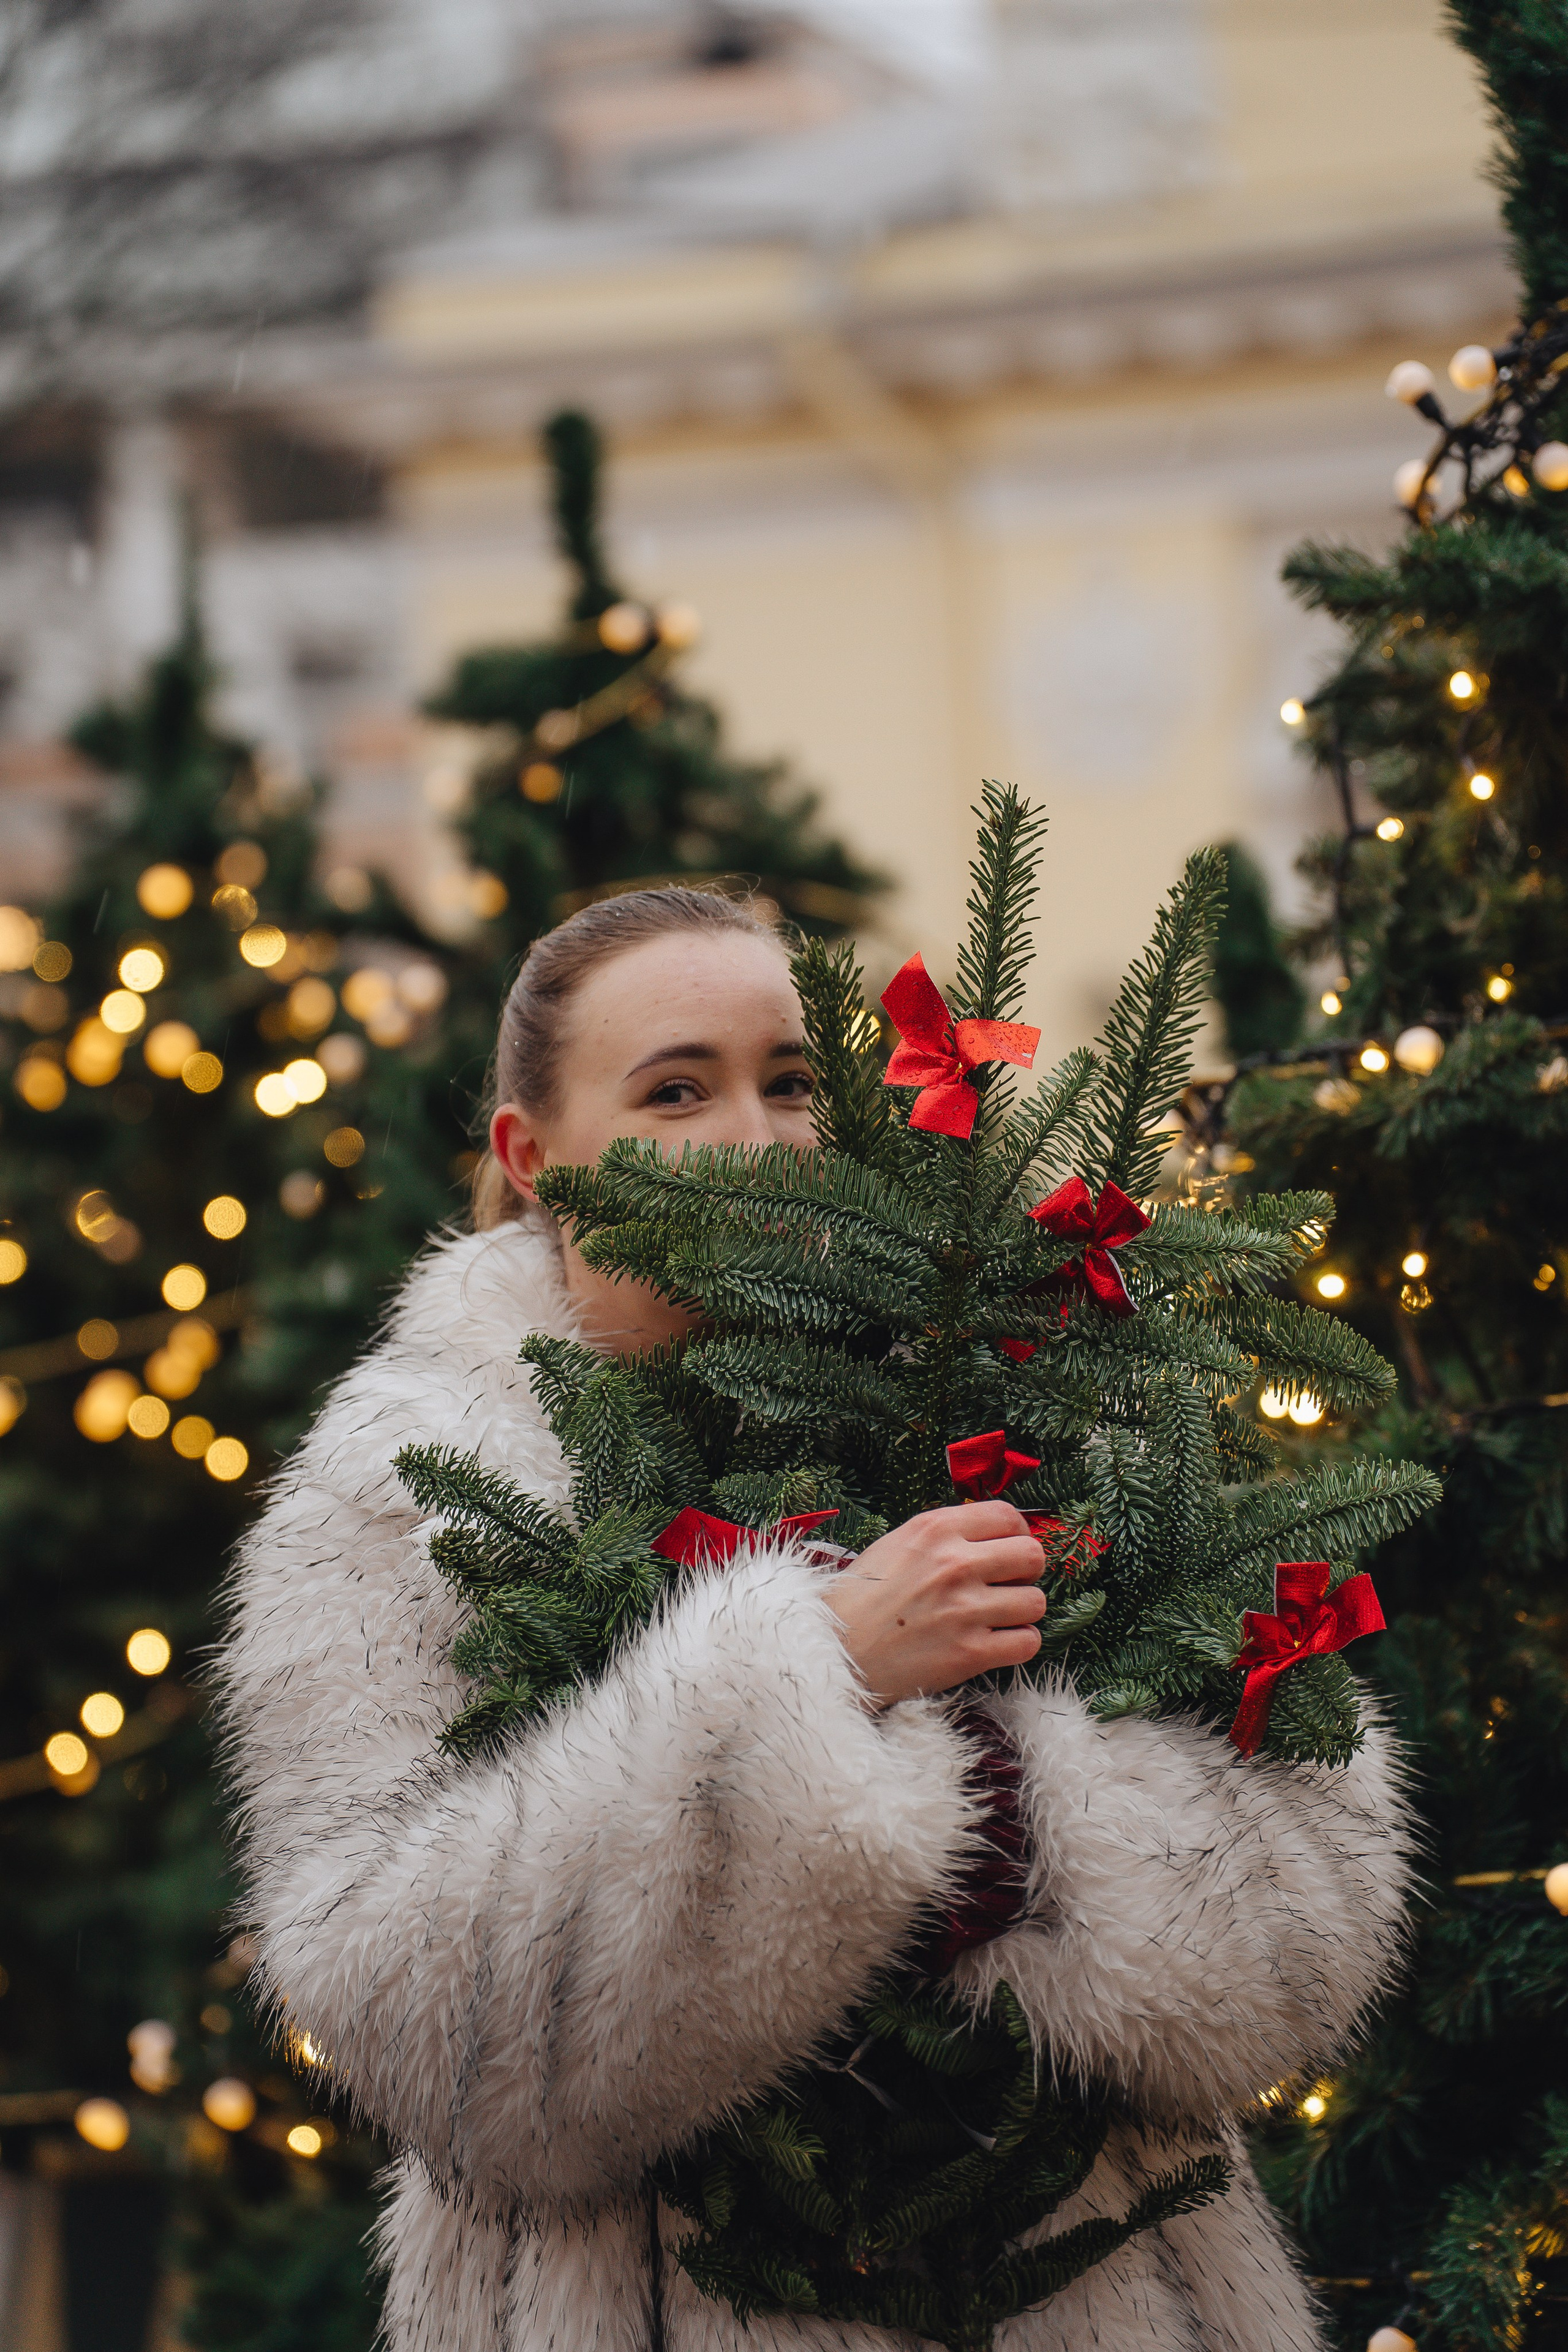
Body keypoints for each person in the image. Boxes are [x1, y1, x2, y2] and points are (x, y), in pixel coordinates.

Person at [217, 885, 1411, 2352]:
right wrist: (807, 1680)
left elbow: (1309, 1937)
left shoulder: (1056, 1406)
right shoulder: (404, 1489)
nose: (755, 1134)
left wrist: (1004, 1786)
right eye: (674, 1089)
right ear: (534, 1160)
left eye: (794, 1081)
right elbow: (423, 2035)